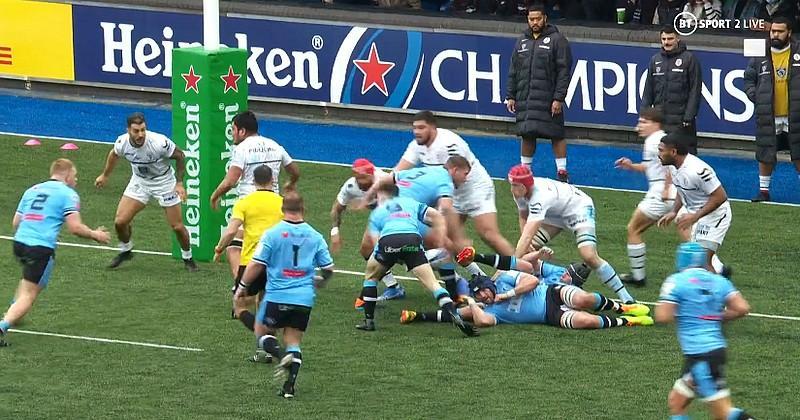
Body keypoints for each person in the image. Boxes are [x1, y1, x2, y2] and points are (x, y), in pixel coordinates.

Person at [1, 159, 111, 346]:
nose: (76, 180)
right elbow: (75, 228)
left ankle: (14, 314)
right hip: (39, 248)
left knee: (30, 282)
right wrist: (95, 234)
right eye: (75, 176)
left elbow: (16, 223)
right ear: (67, 175)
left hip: (19, 243)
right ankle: (3, 325)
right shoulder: (68, 194)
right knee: (30, 293)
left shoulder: (32, 190)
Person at [235, 192, 334, 398]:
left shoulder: (273, 233)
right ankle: (289, 388)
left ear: (282, 210)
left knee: (261, 332)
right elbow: (328, 268)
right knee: (294, 341)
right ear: (303, 208)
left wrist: (243, 285)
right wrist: (321, 281)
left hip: (277, 296)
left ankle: (281, 355)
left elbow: (256, 263)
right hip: (304, 298)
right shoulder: (315, 236)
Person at [356, 182, 478, 337]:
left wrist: (393, 257)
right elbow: (437, 217)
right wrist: (440, 237)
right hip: (412, 240)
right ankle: (454, 314)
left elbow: (375, 242)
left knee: (371, 276)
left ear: (382, 195)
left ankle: (369, 321)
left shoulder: (377, 212)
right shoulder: (411, 203)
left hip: (388, 242)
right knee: (433, 284)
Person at [508, 164, 637, 303]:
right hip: (555, 213)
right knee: (528, 249)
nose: (512, 189)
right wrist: (526, 247)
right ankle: (528, 287)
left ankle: (626, 297)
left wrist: (510, 265)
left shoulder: (539, 198)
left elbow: (527, 235)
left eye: (515, 185)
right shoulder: (520, 191)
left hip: (578, 208)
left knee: (589, 256)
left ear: (524, 185)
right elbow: (523, 216)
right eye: (511, 184)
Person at [655, 242, 754, 420]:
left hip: (701, 355)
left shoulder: (676, 281)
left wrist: (685, 312)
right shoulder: (719, 280)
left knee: (724, 414)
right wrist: (714, 316)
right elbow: (742, 308)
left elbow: (663, 316)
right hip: (711, 351)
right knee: (677, 401)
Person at [394, 111, 514, 255]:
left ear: (433, 128)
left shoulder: (450, 144)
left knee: (488, 234)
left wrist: (440, 204)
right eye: (415, 128)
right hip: (450, 193)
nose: (416, 132)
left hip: (474, 190)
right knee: (445, 240)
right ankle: (472, 274)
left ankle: (519, 269)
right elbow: (399, 171)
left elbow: (456, 175)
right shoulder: (416, 146)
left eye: (421, 128)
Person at [94, 112, 197, 271]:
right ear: (128, 130)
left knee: (177, 226)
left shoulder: (159, 142)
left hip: (164, 183)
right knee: (120, 222)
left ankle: (188, 258)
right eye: (136, 131)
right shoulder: (122, 143)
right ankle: (126, 250)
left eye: (143, 130)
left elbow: (180, 156)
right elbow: (114, 154)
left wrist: (179, 183)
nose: (141, 134)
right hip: (140, 182)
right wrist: (105, 175)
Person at [210, 110, 300, 276]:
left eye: (233, 130)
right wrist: (290, 184)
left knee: (234, 247)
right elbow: (294, 171)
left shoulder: (242, 150)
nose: (232, 135)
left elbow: (231, 181)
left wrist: (215, 195)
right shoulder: (275, 145)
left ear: (242, 131)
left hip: (249, 206)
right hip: (274, 205)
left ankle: (241, 284)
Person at [400, 271, 652, 329]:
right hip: (549, 316)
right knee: (586, 322)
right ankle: (627, 321)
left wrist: (507, 294)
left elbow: (531, 281)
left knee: (584, 298)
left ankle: (623, 306)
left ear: (489, 285)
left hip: (550, 293)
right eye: (479, 296)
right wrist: (474, 305)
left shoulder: (504, 281)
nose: (485, 296)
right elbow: (481, 322)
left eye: (483, 292)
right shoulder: (487, 309)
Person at [505, 3, 573, 182]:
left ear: (545, 19)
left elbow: (564, 71)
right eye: (531, 19)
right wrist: (510, 95)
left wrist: (559, 97)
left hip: (548, 97)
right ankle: (524, 171)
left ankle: (562, 171)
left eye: (538, 19)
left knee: (556, 134)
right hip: (525, 97)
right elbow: (513, 69)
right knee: (527, 133)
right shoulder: (522, 41)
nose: (534, 22)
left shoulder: (557, 40)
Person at [214, 165, 283, 327]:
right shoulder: (282, 202)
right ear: (272, 181)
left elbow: (231, 231)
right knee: (266, 302)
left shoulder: (244, 203)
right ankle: (265, 346)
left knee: (239, 306)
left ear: (253, 181)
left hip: (251, 261)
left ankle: (263, 337)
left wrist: (219, 249)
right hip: (276, 262)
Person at [614, 107, 676, 286]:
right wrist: (631, 166)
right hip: (671, 193)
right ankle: (717, 269)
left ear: (655, 124)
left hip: (661, 193)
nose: (639, 126)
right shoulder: (656, 140)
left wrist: (666, 188)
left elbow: (671, 164)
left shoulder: (656, 141)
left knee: (633, 228)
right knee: (689, 232)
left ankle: (638, 277)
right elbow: (651, 166)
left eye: (643, 122)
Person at [657, 132, 731, 275]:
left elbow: (720, 196)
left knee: (703, 261)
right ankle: (719, 278)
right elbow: (681, 188)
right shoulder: (673, 166)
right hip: (698, 214)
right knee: (698, 259)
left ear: (673, 152)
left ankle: (719, 293)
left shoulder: (697, 170)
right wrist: (674, 211)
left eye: (661, 150)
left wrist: (695, 216)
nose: (658, 154)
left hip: (715, 214)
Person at [331, 159, 405, 302]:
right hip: (379, 218)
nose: (360, 182)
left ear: (372, 175)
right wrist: (335, 232)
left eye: (363, 178)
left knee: (409, 252)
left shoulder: (384, 181)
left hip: (399, 216)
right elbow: (337, 208)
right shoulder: (351, 185)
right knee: (366, 250)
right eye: (357, 177)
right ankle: (393, 287)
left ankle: (451, 277)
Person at [743, 16, 800, 202]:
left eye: (780, 31)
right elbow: (748, 78)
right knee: (765, 152)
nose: (775, 34)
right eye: (773, 31)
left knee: (799, 153)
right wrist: (756, 97)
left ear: (789, 32)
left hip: (795, 113)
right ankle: (764, 191)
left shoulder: (799, 50)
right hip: (769, 113)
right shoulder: (760, 52)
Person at [641, 26, 702, 155]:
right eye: (663, 39)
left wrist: (689, 117)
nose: (666, 42)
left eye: (670, 38)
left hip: (681, 120)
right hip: (661, 119)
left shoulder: (689, 59)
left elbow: (695, 90)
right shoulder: (655, 60)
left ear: (677, 38)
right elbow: (648, 89)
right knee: (663, 156)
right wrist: (645, 114)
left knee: (684, 156)